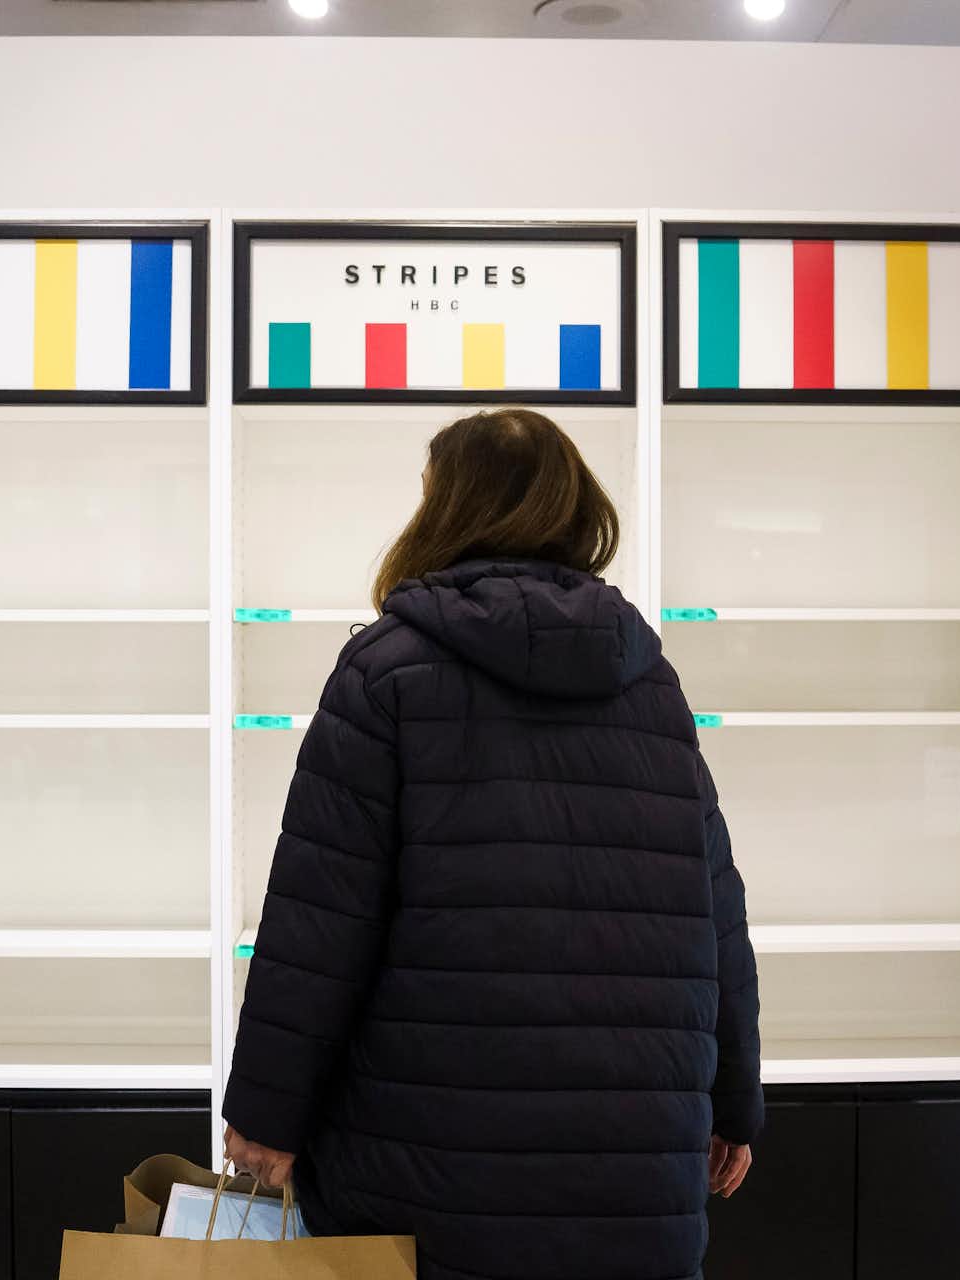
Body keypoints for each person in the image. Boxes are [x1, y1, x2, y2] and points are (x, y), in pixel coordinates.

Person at [220, 408, 762, 1280]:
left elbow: (322, 919)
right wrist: (734, 1102)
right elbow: (715, 913)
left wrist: (267, 1116)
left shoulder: (386, 671)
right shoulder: (649, 683)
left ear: (448, 510)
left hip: (428, 1164)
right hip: (631, 1162)